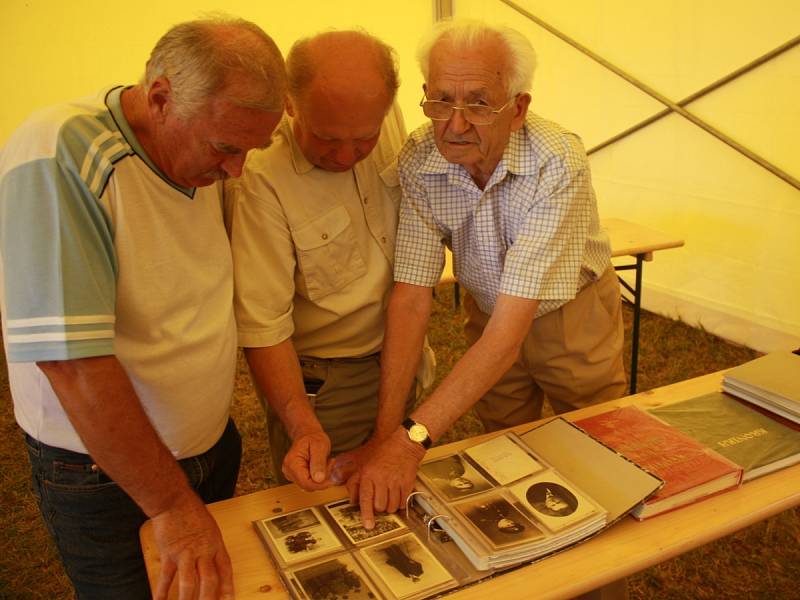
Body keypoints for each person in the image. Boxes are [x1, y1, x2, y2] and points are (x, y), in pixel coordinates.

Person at [0, 18, 286, 599]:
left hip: (207, 445)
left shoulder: (196, 144)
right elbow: (72, 363)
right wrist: (173, 507)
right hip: (106, 477)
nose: (237, 171)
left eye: (253, 150)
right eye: (227, 148)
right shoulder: (60, 156)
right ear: (160, 97)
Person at [346, 19, 627, 529]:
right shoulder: (419, 155)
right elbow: (411, 296)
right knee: (504, 446)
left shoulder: (556, 159)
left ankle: (604, 566)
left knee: (597, 446)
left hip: (571, 314)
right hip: (489, 306)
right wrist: (386, 436)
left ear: (517, 108)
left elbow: (509, 333)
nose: (454, 124)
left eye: (478, 103)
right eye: (440, 101)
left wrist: (411, 441)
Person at [225, 30, 433, 490]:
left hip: (405, 354)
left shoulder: (380, 111)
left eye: (365, 138)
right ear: (289, 103)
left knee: (402, 495)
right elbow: (264, 327)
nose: (345, 155)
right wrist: (303, 425)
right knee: (336, 515)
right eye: (326, 138)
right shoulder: (261, 178)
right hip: (328, 387)